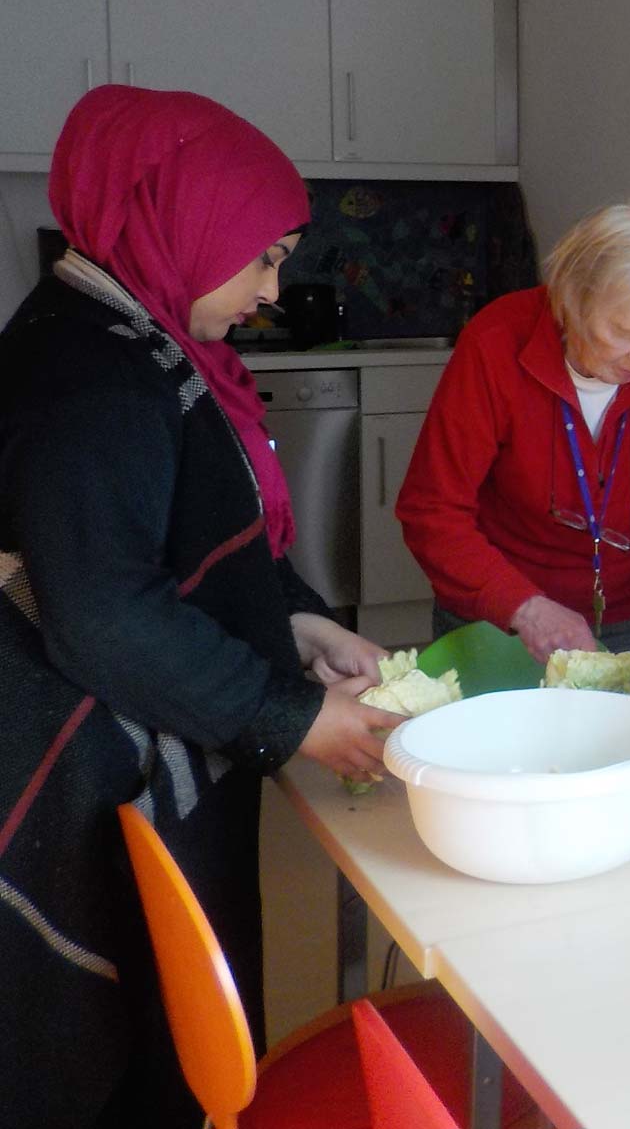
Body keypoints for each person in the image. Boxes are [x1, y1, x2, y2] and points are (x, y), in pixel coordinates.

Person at [0, 86, 400, 1126]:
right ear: (180, 224)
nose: (274, 288)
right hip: (82, 770)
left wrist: (294, 619)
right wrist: (291, 717)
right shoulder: (92, 378)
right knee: (116, 1048)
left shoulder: (134, 338)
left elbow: (191, 542)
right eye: (262, 255)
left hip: (133, 745)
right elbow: (106, 614)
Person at [397, 199, 630, 660]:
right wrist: (526, 609)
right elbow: (431, 509)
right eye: (626, 334)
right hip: (501, 616)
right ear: (572, 300)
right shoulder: (495, 344)